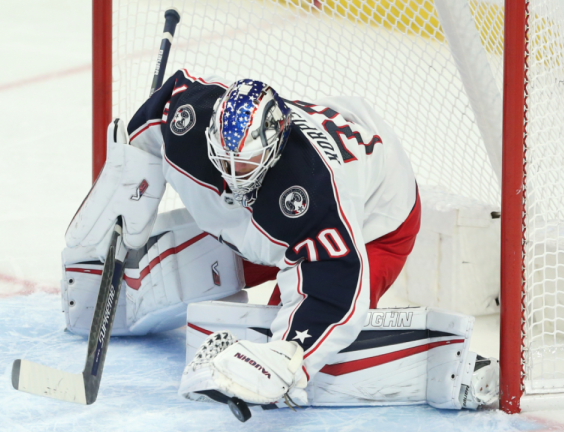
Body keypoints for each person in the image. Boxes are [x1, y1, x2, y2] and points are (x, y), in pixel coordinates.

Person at [60, 69, 497, 411]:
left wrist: (292, 355)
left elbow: (337, 292)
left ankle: (433, 368)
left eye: (245, 166)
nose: (232, 176)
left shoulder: (312, 193)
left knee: (285, 347)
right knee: (162, 278)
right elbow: (155, 115)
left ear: (275, 147)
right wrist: (128, 181)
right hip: (286, 208)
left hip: (379, 220)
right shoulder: (192, 118)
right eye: (224, 161)